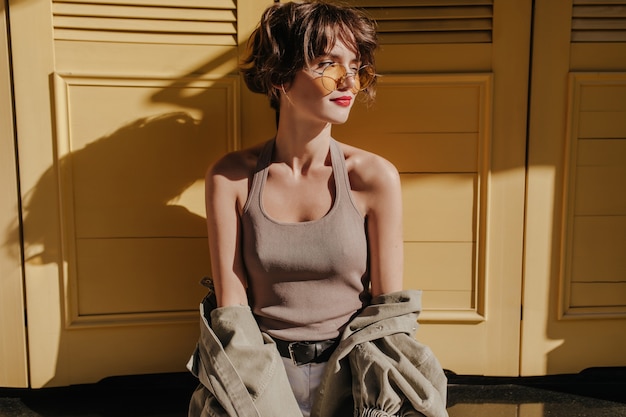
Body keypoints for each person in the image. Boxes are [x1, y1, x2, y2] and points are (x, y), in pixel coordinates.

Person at [187, 2, 449, 416]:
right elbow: (231, 314)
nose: (348, 81)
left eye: (356, 66)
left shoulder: (373, 177)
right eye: (327, 63)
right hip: (261, 372)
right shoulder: (230, 178)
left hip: (353, 372)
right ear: (279, 75)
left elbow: (387, 314)